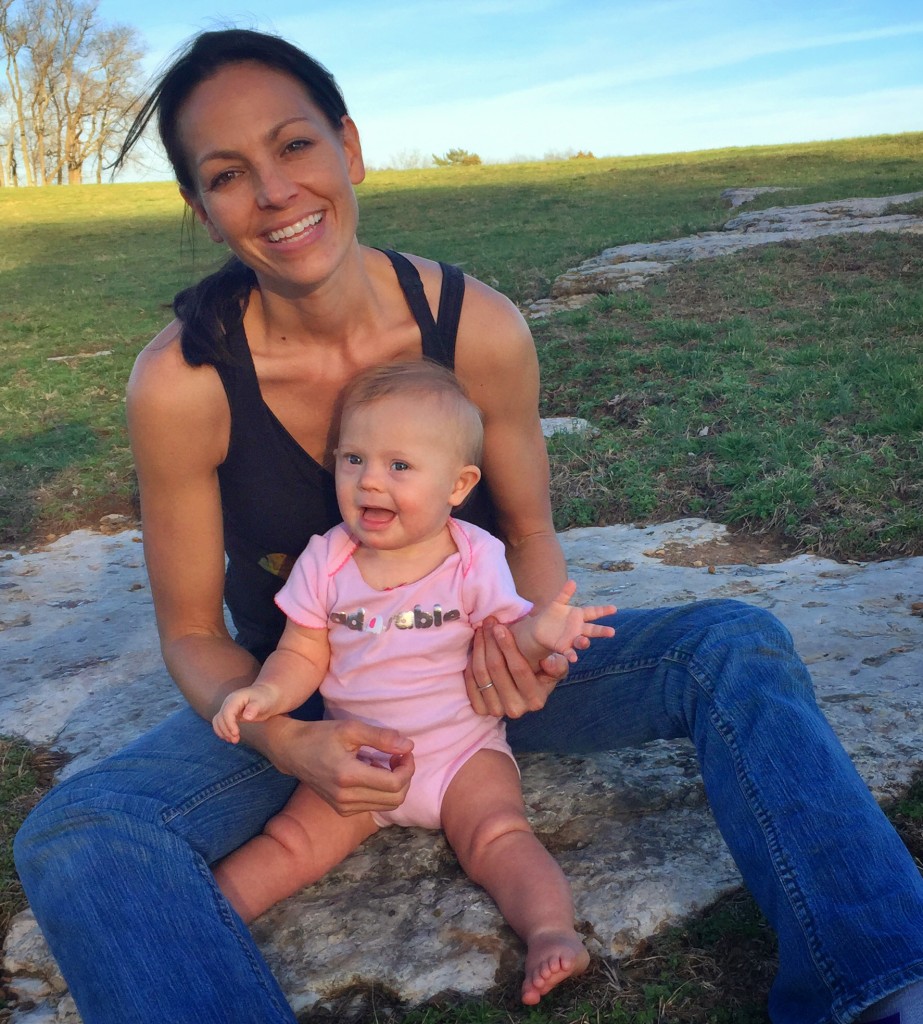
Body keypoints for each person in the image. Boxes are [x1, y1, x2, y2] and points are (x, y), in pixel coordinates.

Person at [13, 26, 923, 1024]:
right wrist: (282, 742)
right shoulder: (181, 382)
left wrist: (524, 644)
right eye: (228, 174)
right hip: (311, 687)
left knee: (733, 641)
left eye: (294, 146)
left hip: (479, 672)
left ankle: (878, 982)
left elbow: (528, 530)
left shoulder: (476, 326)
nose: (273, 192)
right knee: (81, 829)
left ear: (349, 148)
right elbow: (191, 633)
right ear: (200, 206)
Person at [210, 359, 613, 1003]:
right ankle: (204, 919)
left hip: (460, 751)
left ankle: (549, 931)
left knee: (501, 836)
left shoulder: (472, 556)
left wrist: (549, 633)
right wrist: (268, 694)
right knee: (288, 842)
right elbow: (302, 652)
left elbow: (508, 639)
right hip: (358, 757)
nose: (371, 480)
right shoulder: (327, 558)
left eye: (400, 466)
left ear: (459, 484)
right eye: (353, 460)